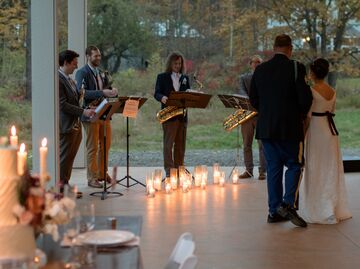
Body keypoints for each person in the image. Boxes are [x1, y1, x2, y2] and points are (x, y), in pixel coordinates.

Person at [249, 34, 313, 227]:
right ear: (290, 48)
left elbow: (253, 99)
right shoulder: (296, 67)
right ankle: (288, 205)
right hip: (290, 126)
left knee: (274, 168)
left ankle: (273, 211)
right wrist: (300, 115)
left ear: (274, 47)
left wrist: (267, 113)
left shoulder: (260, 70)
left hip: (267, 127)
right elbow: (305, 98)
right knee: (294, 165)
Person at [299, 58, 352, 224]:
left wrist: (302, 136)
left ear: (313, 73)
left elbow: (308, 117)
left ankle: (318, 209)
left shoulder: (312, 90)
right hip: (330, 131)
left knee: (316, 168)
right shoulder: (332, 91)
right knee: (329, 169)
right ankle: (330, 207)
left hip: (316, 130)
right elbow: (332, 111)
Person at [75, 46, 118, 188]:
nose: (98, 58)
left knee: (106, 145)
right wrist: (103, 92)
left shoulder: (101, 72)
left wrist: (112, 92)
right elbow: (82, 93)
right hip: (90, 113)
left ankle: (102, 173)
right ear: (88, 56)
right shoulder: (82, 72)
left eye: (99, 55)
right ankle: (92, 178)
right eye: (95, 56)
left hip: (104, 113)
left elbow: (105, 91)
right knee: (92, 147)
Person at [58, 50, 95, 196]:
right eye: (74, 63)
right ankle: (60, 189)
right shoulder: (58, 79)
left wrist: (84, 105)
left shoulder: (69, 79)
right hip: (66, 125)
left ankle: (65, 185)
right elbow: (62, 105)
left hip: (75, 124)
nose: (76, 66)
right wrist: (83, 112)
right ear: (65, 63)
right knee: (64, 159)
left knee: (70, 158)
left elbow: (74, 102)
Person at [154, 52, 191, 177]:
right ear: (170, 63)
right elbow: (156, 93)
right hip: (169, 115)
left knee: (180, 145)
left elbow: (188, 94)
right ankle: (170, 171)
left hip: (182, 116)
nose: (178, 65)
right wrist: (162, 98)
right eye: (175, 63)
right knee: (168, 144)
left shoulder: (185, 78)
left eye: (180, 63)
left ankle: (180, 169)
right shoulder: (162, 77)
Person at [238, 55, 267, 180]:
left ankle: (262, 172)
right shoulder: (244, 78)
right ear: (250, 64)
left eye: (259, 62)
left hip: (261, 116)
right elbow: (241, 92)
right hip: (247, 115)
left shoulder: (266, 78)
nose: (256, 64)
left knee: (262, 145)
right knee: (246, 144)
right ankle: (248, 170)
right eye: (254, 62)